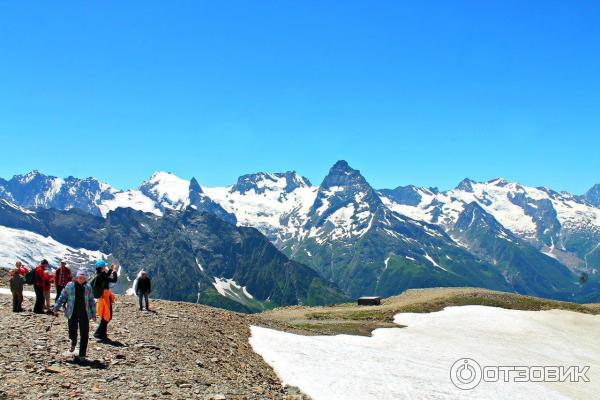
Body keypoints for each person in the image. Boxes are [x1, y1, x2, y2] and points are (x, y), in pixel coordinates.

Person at [53, 269, 96, 361]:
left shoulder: (88, 287)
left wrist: (93, 313)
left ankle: (82, 354)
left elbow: (91, 301)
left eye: (83, 278)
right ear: (76, 277)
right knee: (72, 331)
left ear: (86, 279)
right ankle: (73, 342)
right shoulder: (70, 286)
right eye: (79, 277)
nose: (81, 279)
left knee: (84, 334)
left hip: (84, 313)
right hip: (72, 312)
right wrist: (56, 307)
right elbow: (62, 297)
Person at [92, 260, 118, 342]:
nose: (105, 267)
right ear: (102, 267)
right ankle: (99, 333)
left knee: (105, 315)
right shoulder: (102, 276)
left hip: (103, 296)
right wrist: (114, 272)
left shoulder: (100, 275)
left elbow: (106, 276)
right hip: (105, 297)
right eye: (104, 266)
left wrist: (110, 270)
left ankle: (102, 334)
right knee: (107, 316)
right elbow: (114, 280)